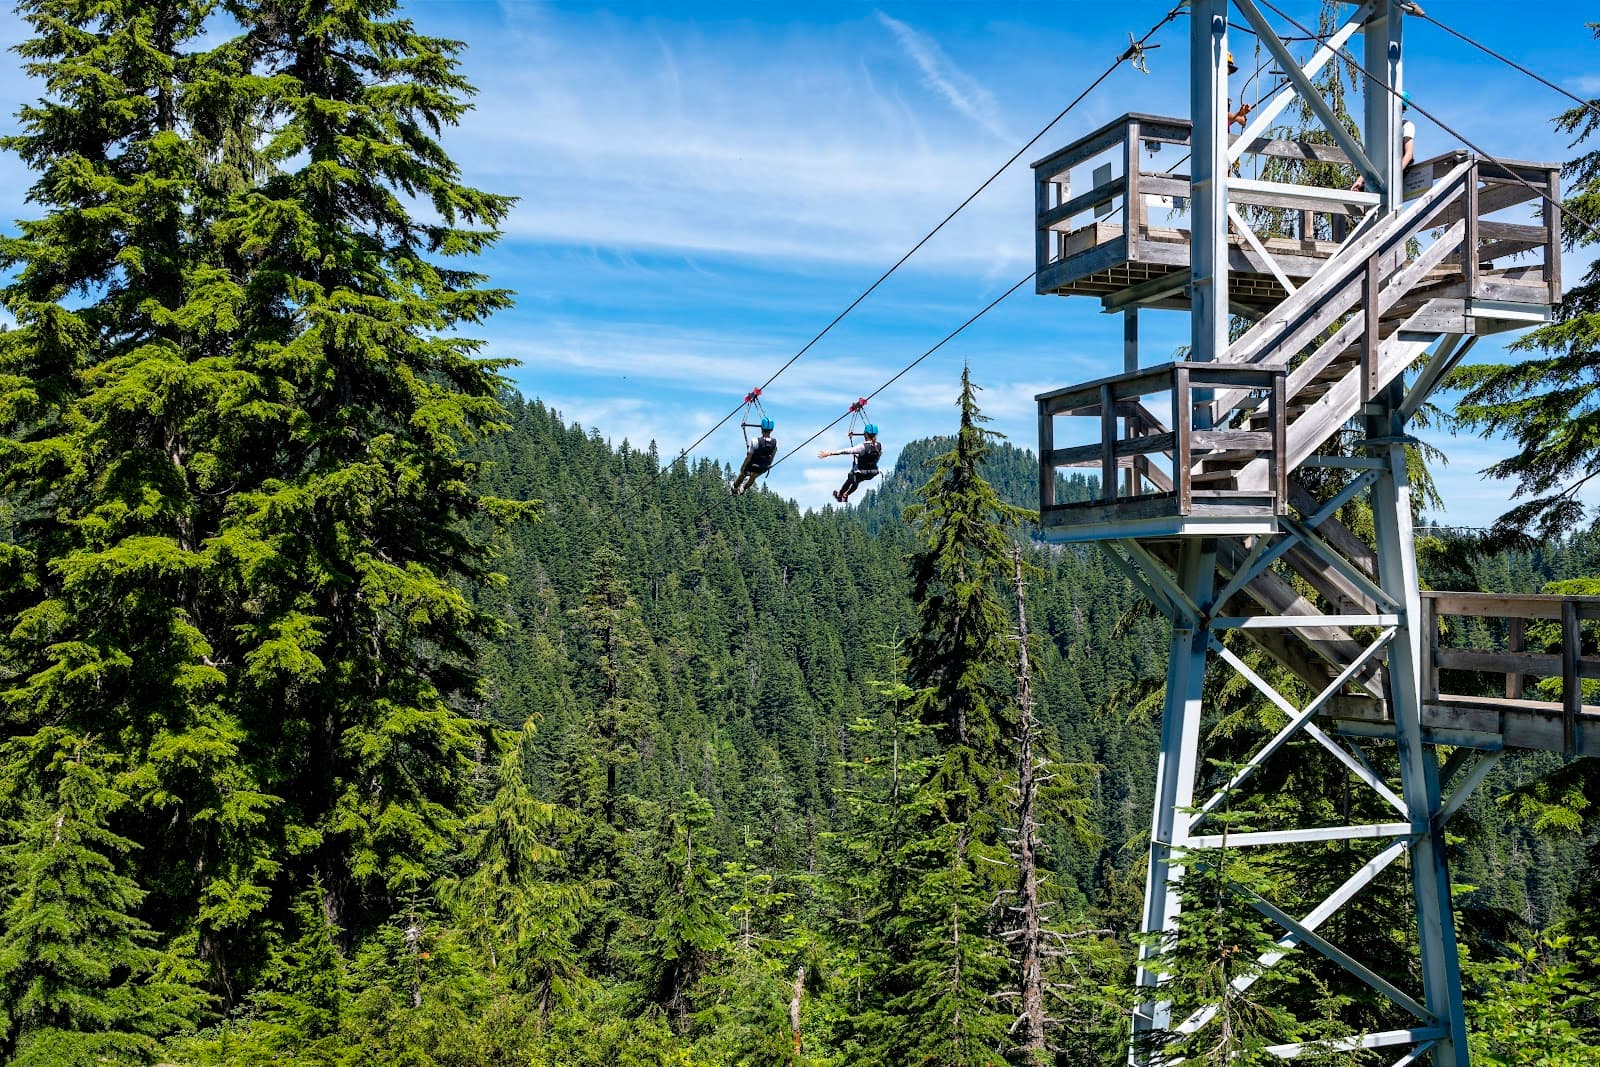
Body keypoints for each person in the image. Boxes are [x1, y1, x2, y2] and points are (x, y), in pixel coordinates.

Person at [1351, 90, 1414, 192]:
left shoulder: (1406, 125)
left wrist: (1395, 174)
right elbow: (1370, 159)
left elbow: (1408, 154)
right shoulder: (1381, 129)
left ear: (1402, 109)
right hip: (1382, 170)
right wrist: (1360, 180)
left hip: (1397, 168)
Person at [818, 423, 882, 504]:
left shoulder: (862, 447)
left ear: (865, 434)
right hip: (871, 473)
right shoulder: (879, 446)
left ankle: (840, 494)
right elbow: (876, 457)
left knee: (851, 478)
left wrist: (829, 453)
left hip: (861, 472)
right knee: (856, 481)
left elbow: (846, 451)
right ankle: (846, 494)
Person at [732, 417, 777, 495]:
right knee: (753, 476)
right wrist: (768, 465)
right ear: (772, 430)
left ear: (761, 428)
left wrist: (743, 467)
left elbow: (748, 457)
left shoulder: (755, 441)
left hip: (752, 465)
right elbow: (772, 456)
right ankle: (744, 488)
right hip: (763, 466)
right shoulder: (775, 442)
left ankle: (735, 486)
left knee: (742, 474)